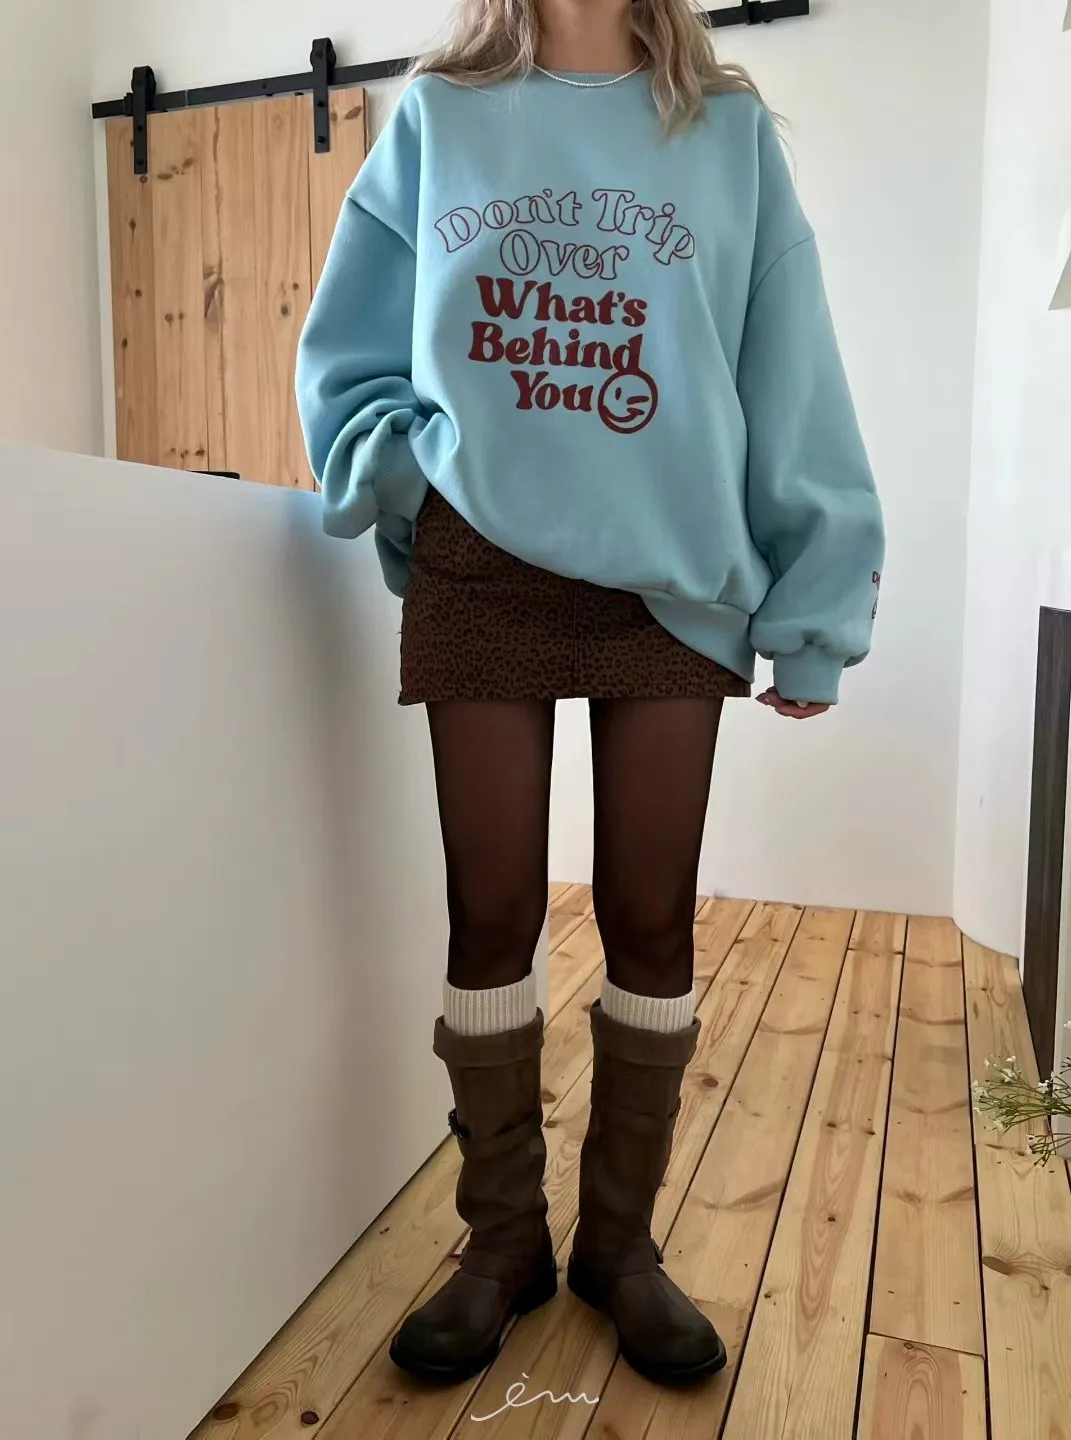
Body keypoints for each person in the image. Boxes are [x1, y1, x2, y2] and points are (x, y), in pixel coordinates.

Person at [296, 0, 884, 1392]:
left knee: (650, 916)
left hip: (671, 576)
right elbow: (350, 350)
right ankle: (501, 1244)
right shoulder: (439, 117)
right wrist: (407, 473)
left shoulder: (725, 130)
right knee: (491, 913)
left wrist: (812, 611)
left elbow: (789, 373)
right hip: (482, 568)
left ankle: (620, 1248)